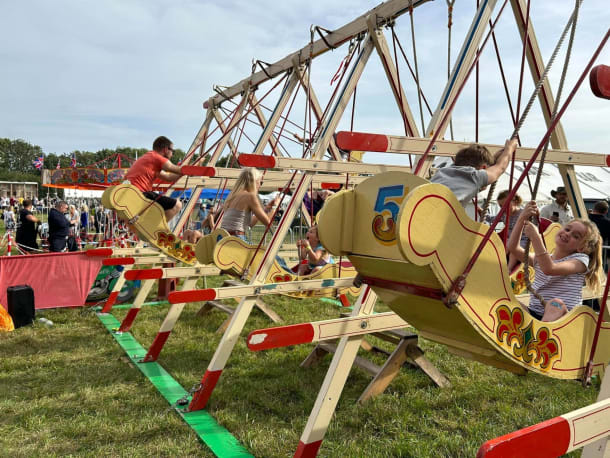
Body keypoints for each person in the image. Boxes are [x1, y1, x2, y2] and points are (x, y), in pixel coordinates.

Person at [507, 201, 604, 322]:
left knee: (555, 304)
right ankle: (538, 331)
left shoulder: (579, 261)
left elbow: (549, 269)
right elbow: (513, 248)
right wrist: (522, 218)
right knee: (507, 301)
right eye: (567, 229)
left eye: (576, 236)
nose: (568, 234)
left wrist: (536, 237)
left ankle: (542, 335)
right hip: (535, 314)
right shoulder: (542, 259)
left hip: (563, 319)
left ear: (582, 247)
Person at [430, 139, 518, 208]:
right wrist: (509, 149)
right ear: (483, 169)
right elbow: (500, 167)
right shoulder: (474, 176)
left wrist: (493, 158)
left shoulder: (442, 172)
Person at [124, 136, 184, 221]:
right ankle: (157, 228)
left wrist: (185, 172)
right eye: (172, 151)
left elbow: (169, 177)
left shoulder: (149, 159)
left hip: (132, 193)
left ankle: (151, 225)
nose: (172, 154)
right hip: (140, 194)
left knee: (161, 207)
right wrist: (191, 170)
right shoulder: (156, 157)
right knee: (177, 205)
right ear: (166, 149)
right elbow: (172, 167)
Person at [219, 167, 280, 240]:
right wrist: (275, 207)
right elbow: (268, 223)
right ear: (254, 181)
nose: (260, 185)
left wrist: (266, 209)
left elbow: (249, 224)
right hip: (236, 239)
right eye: (260, 182)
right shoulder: (250, 196)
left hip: (223, 238)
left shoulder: (232, 195)